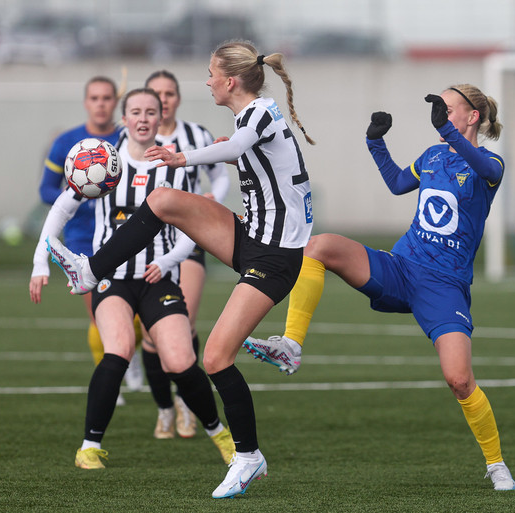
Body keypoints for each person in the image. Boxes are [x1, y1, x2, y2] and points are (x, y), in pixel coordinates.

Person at [45, 40, 315, 498]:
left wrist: (181, 157)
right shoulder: (250, 116)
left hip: (274, 257)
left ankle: (248, 456)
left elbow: (241, 146)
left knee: (215, 358)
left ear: (231, 81)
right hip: (251, 236)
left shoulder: (259, 113)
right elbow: (247, 153)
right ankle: (92, 271)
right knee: (163, 200)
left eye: (211, 73)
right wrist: (222, 153)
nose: (207, 82)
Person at [244, 85, 515, 491]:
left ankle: (496, 464)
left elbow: (486, 170)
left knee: (460, 380)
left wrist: (449, 132)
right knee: (317, 247)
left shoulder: (490, 163)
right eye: (439, 109)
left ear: (472, 116)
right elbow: (397, 183)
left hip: (444, 286)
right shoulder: (432, 155)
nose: (440, 115)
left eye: (447, 108)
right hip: (401, 267)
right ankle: (290, 345)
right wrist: (375, 142)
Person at [30, 87, 235, 471]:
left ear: (161, 118)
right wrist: (41, 260)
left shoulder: (174, 164)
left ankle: (219, 433)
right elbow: (61, 208)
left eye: (151, 112)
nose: (143, 118)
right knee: (119, 350)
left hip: (159, 278)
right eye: (136, 112)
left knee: (180, 361)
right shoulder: (103, 160)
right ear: (124, 119)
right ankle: (89, 447)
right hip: (113, 279)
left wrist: (171, 259)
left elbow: (193, 225)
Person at [38, 76, 143, 401]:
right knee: (100, 314)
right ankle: (110, 378)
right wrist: (82, 193)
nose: (101, 104)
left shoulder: (127, 138)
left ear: (115, 102)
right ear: (86, 102)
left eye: (107, 98)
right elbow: (45, 190)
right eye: (95, 98)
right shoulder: (67, 142)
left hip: (122, 235)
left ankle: (130, 354)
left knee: (138, 316)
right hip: (82, 239)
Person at [140, 69, 230, 439]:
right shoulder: (131, 138)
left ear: (177, 98)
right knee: (150, 334)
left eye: (169, 93)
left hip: (187, 240)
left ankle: (186, 402)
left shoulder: (196, 135)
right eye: (156, 93)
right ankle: (165, 407)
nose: (163, 99)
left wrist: (213, 199)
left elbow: (219, 174)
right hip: (145, 245)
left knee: (183, 320)